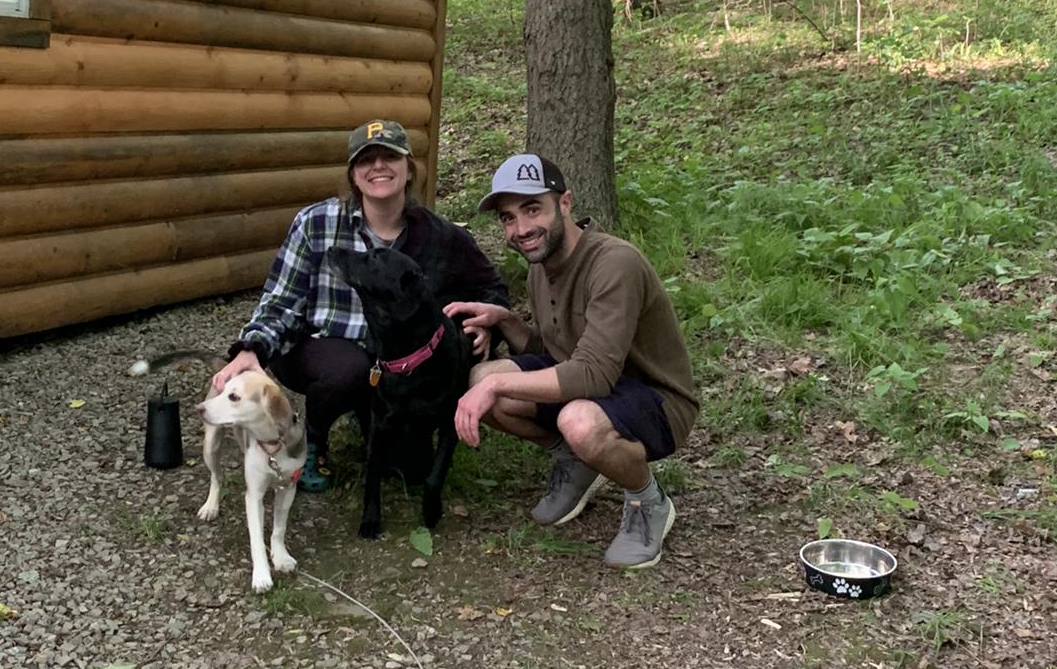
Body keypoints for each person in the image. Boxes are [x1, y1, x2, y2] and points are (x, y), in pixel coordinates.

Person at [213, 121, 510, 491]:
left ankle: (367, 413)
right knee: (349, 370)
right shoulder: (316, 223)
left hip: (398, 367)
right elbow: (281, 300)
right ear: (353, 175)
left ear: (408, 170)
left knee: (409, 471)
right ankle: (313, 441)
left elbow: (491, 286)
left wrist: (487, 321)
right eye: (366, 159)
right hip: (322, 349)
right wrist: (251, 347)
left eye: (390, 156)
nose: (378, 166)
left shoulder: (440, 236)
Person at [447, 152, 698, 570]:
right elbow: (555, 351)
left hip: (656, 400)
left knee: (574, 419)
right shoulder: (541, 264)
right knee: (482, 377)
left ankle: (647, 500)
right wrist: (508, 322)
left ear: (564, 203)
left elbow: (593, 374)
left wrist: (497, 386)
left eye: (532, 209)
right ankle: (577, 462)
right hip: (594, 391)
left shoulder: (614, 263)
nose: (521, 229)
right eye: (508, 218)